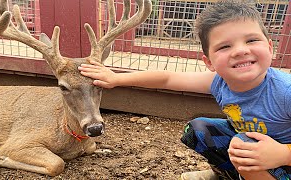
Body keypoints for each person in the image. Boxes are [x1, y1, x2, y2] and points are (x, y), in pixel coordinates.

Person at [78, 0, 291, 179]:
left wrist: (282, 154)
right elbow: (168, 78)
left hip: (283, 159)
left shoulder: (285, 91)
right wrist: (116, 79)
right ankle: (227, 174)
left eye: (252, 40)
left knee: (243, 145)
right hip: (257, 149)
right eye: (225, 46)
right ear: (209, 62)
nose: (241, 51)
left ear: (270, 48)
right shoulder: (218, 81)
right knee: (198, 129)